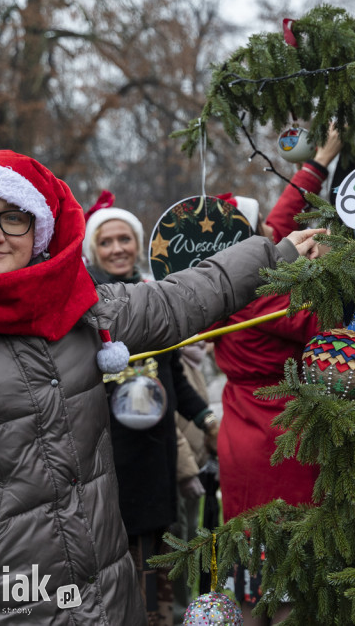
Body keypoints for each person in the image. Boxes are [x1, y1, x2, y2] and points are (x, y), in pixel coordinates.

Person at [0, 149, 324, 626]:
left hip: (102, 598)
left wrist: (279, 253)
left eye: (14, 218)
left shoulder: (76, 311)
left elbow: (184, 298)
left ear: (39, 233)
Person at [214, 125, 341, 625]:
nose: (271, 236)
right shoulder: (261, 296)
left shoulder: (221, 283)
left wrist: (318, 164)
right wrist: (331, 264)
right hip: (278, 440)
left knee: (250, 552)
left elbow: (277, 223)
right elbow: (321, 320)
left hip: (240, 432)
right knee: (284, 566)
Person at [83, 206, 214, 626]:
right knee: (121, 556)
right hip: (110, 458)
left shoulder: (154, 296)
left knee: (159, 549)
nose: (117, 248)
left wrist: (206, 417)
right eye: (106, 241)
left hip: (157, 457)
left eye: (125, 239)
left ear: (139, 244)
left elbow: (174, 372)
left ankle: (161, 617)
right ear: (92, 250)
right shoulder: (86, 304)